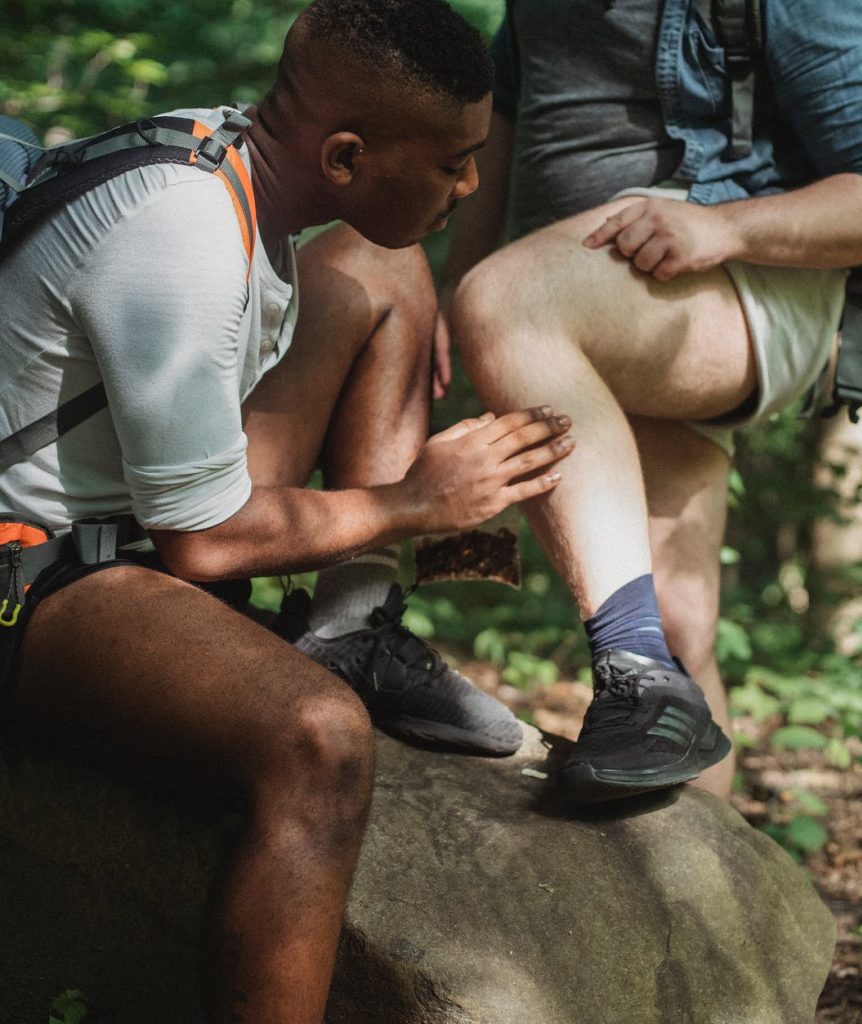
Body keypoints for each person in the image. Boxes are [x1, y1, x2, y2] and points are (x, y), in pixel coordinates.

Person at [0, 1, 576, 1020]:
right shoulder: (180, 232)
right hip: (37, 564)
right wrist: (413, 502)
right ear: (345, 157)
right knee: (320, 739)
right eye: (453, 164)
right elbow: (202, 537)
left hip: (131, 518)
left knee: (386, 263)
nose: (469, 185)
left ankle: (353, 624)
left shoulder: (227, 156)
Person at [440, 0, 862, 804]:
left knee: (505, 302)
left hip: (733, 280)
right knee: (680, 623)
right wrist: (449, 299)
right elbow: (504, 120)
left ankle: (637, 676)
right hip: (594, 291)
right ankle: (714, 878)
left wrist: (725, 229)